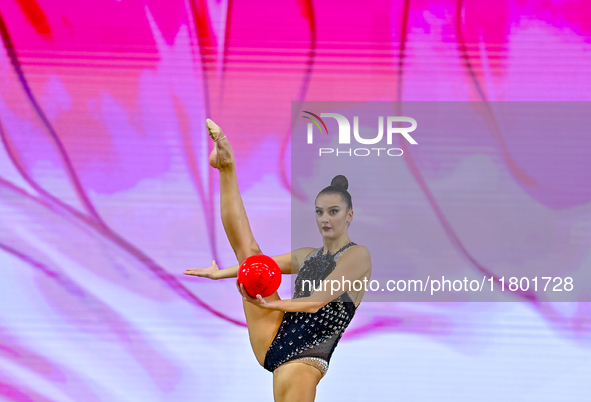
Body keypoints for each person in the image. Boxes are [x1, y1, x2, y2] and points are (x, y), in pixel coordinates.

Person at [183, 119, 372, 402]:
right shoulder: (309, 255)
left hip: (306, 358)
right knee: (251, 254)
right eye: (320, 212)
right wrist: (219, 273)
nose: (326, 218)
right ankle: (226, 165)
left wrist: (269, 304)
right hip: (275, 333)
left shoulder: (358, 256)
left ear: (350, 215)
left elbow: (316, 301)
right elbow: (256, 265)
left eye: (334, 211)